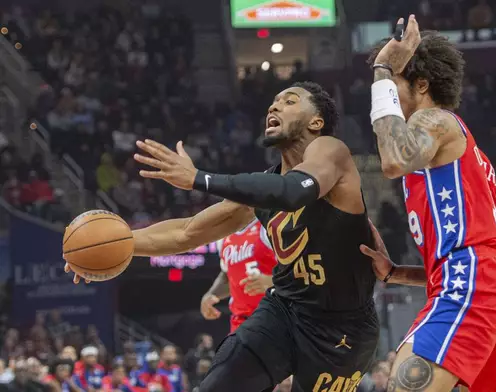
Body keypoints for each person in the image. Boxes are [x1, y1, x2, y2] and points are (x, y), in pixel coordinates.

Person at [65, 81, 379, 391]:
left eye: (290, 101)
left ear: (316, 121)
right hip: (285, 311)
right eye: (274, 101)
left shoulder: (331, 152)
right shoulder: (265, 185)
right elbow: (187, 233)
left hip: (342, 327)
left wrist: (199, 178)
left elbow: (294, 192)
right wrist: (114, 247)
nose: (274, 106)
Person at [359, 15, 496, 391]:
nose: (387, 94)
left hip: (472, 279)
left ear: (421, 84)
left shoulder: (436, 120)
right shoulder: (447, 145)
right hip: (486, 279)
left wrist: (382, 71)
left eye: (395, 86)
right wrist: (397, 273)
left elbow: (392, 160)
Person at [200, 217, 277, 333]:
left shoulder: (269, 225)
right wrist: (212, 294)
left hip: (275, 317)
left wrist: (272, 281)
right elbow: (227, 275)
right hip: (241, 321)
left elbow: (299, 269)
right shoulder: (224, 236)